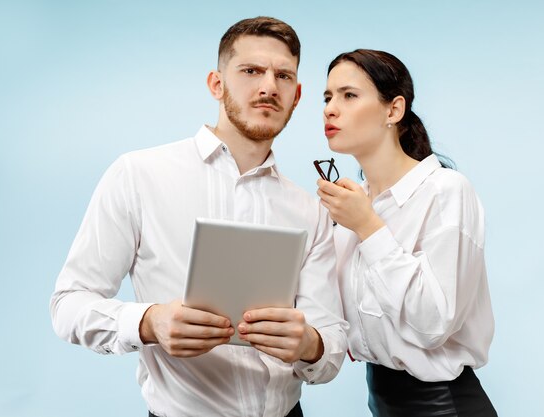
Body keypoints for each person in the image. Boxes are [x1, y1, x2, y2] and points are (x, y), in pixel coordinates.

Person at [50, 17, 347, 417]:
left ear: (296, 96)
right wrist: (149, 321)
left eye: (283, 76)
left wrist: (309, 344)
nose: (268, 87)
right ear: (216, 84)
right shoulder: (138, 175)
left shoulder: (309, 210)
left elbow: (331, 344)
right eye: (251, 71)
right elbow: (69, 304)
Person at [316, 49, 497, 417]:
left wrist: (368, 227)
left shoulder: (445, 191)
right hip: (381, 402)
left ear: (393, 110)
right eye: (328, 97)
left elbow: (434, 323)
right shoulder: (353, 204)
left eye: (349, 95)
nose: (330, 109)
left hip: (443, 406)